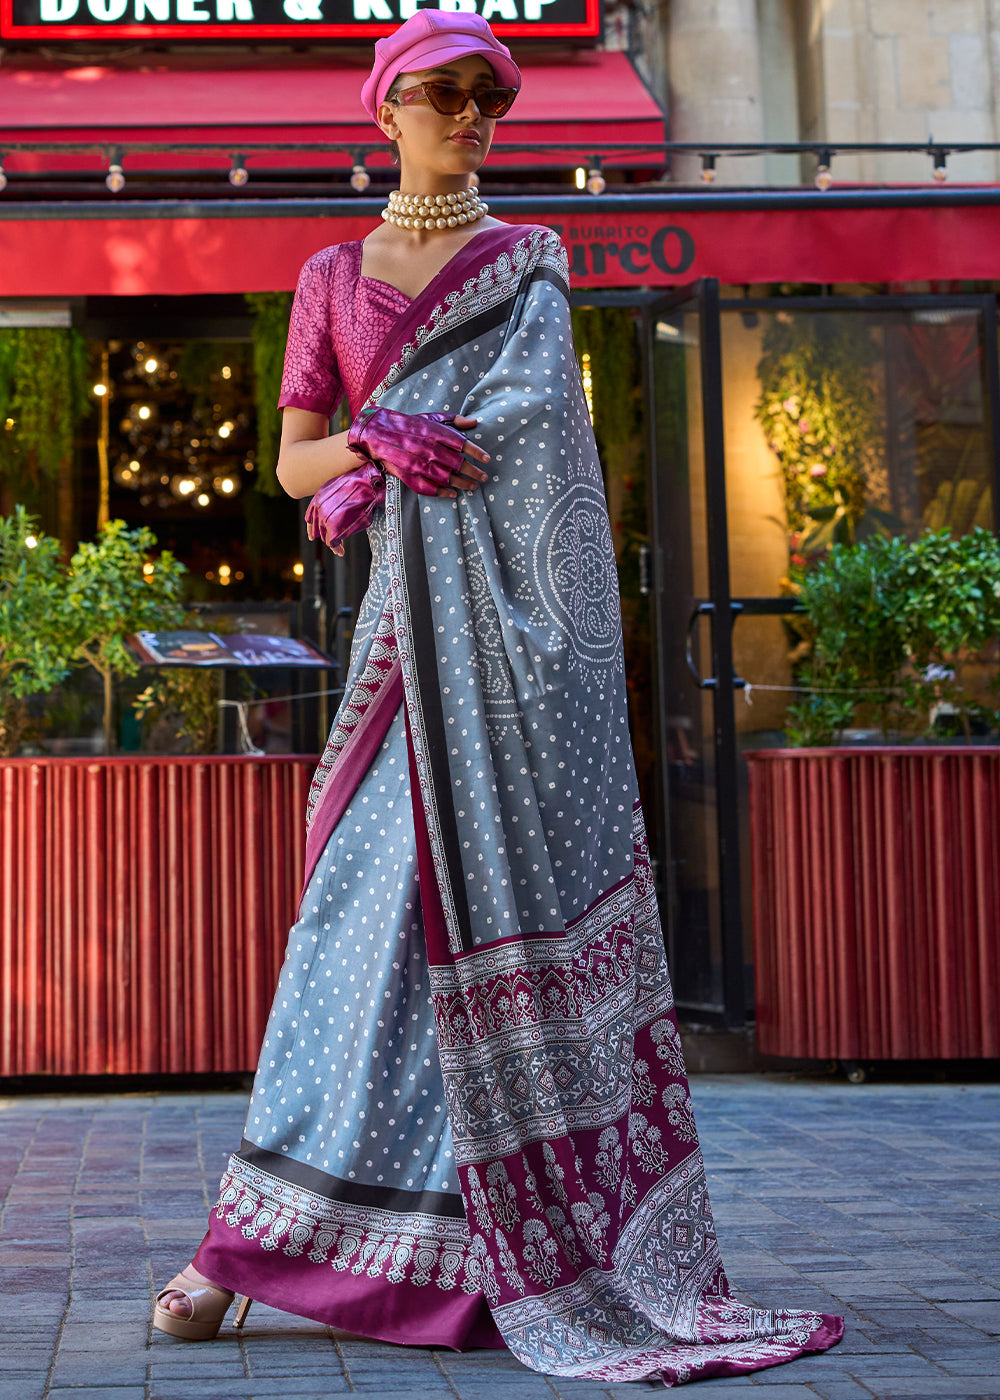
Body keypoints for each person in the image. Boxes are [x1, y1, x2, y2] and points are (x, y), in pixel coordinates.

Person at [152, 10, 844, 1384]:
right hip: (402, 657)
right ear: (385, 108)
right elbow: (294, 463)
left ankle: (484, 1252)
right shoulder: (331, 275)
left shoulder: (527, 264)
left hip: (512, 675)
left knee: (462, 932)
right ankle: (255, 1242)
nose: (471, 116)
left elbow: (530, 444)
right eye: (445, 93)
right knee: (353, 936)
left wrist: (406, 455)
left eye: (491, 96)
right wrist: (370, 441)